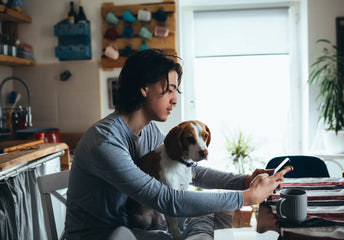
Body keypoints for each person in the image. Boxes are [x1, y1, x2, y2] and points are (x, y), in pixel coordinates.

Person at [64, 49, 293, 240]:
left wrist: (243, 181)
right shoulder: (105, 142)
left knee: (211, 214)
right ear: (144, 88)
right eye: (170, 90)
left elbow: (190, 170)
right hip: (105, 236)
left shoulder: (148, 130)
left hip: (134, 228)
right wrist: (247, 197)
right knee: (201, 217)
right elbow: (166, 199)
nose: (175, 99)